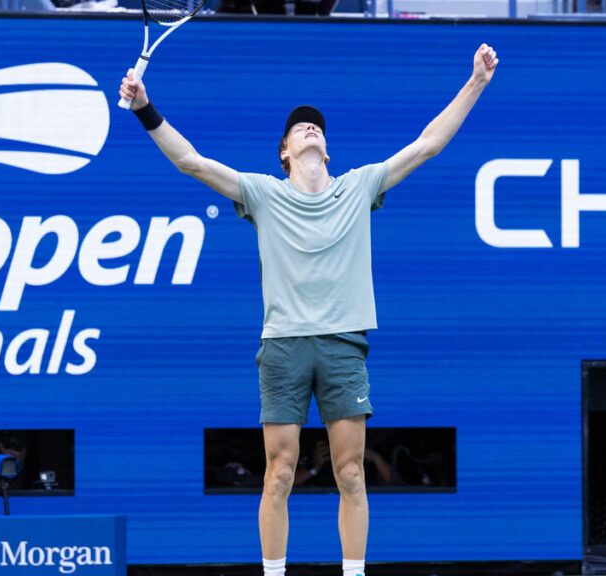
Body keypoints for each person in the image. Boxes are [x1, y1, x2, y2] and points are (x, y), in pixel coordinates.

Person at [119, 43, 498, 576]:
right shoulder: (262, 193)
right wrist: (144, 107)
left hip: (344, 344)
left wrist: (476, 82)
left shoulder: (359, 185)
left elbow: (427, 145)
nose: (310, 129)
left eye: (316, 127)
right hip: (284, 346)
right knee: (279, 471)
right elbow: (191, 161)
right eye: (299, 128)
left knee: (350, 472)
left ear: (328, 147)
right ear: (284, 153)